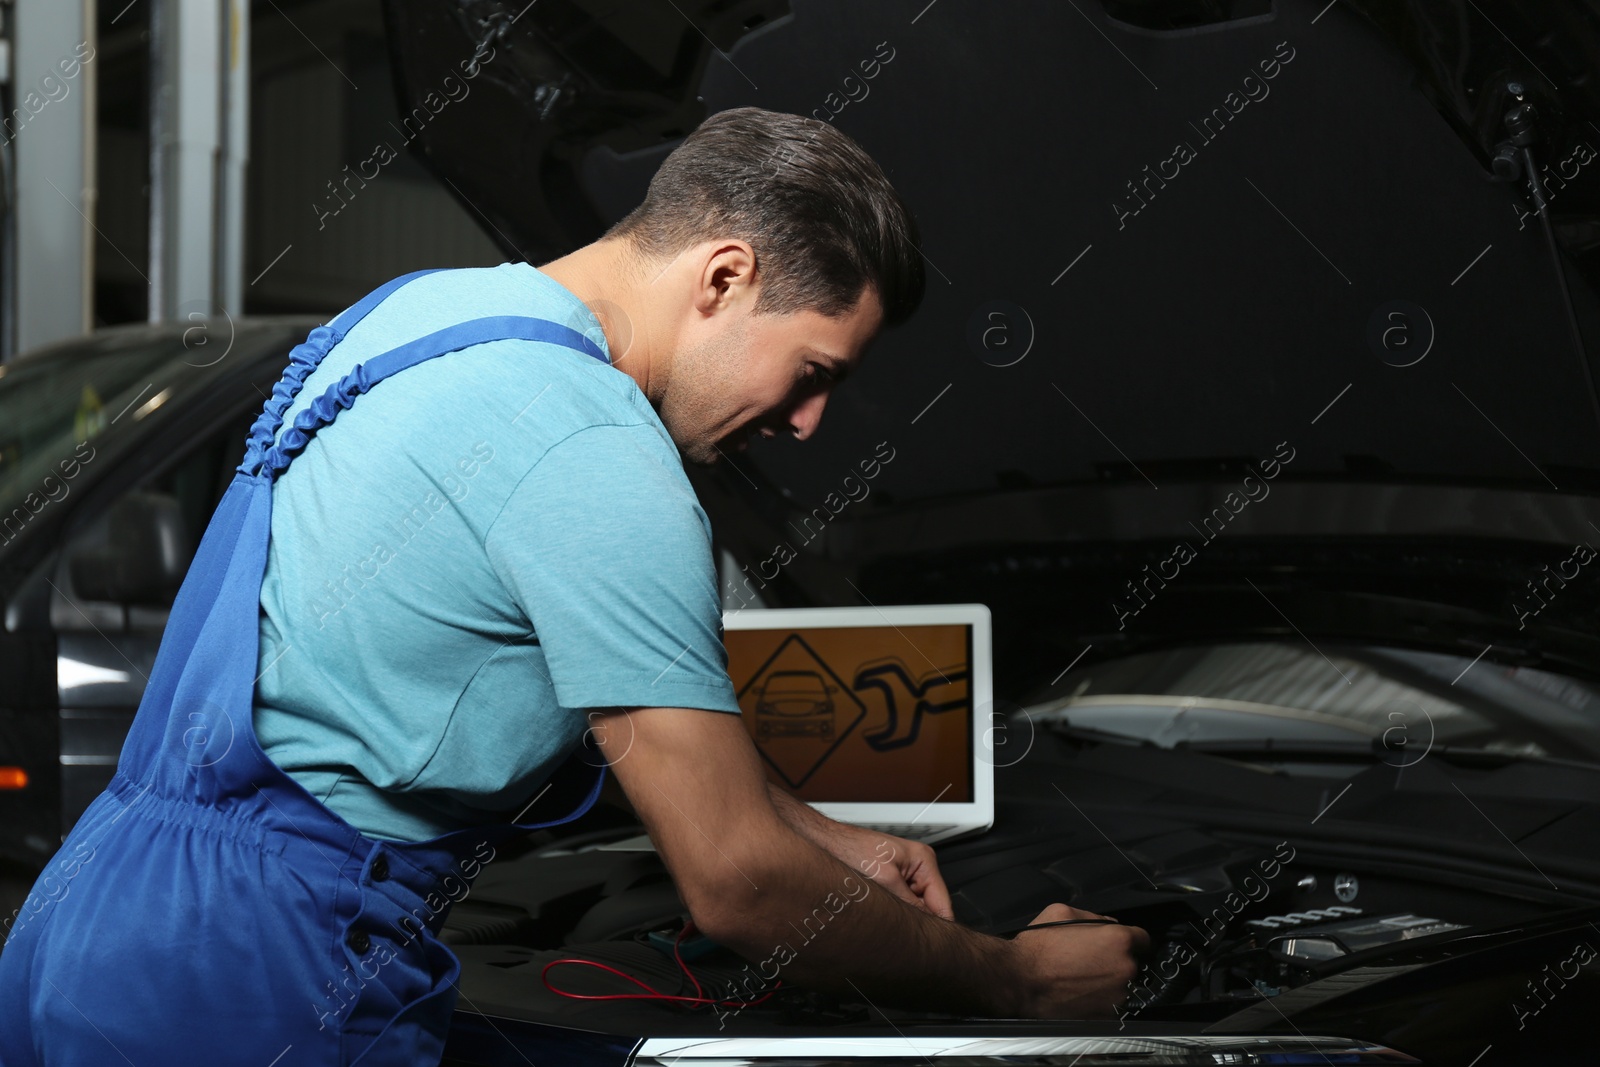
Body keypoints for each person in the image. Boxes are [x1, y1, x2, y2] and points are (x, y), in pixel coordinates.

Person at [0, 107, 1144, 1065]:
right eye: (812, 371)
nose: (806, 423)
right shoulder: (598, 452)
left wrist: (820, 833)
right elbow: (738, 883)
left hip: (91, 914)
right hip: (258, 971)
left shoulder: (419, 316)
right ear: (725, 274)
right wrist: (1014, 982)